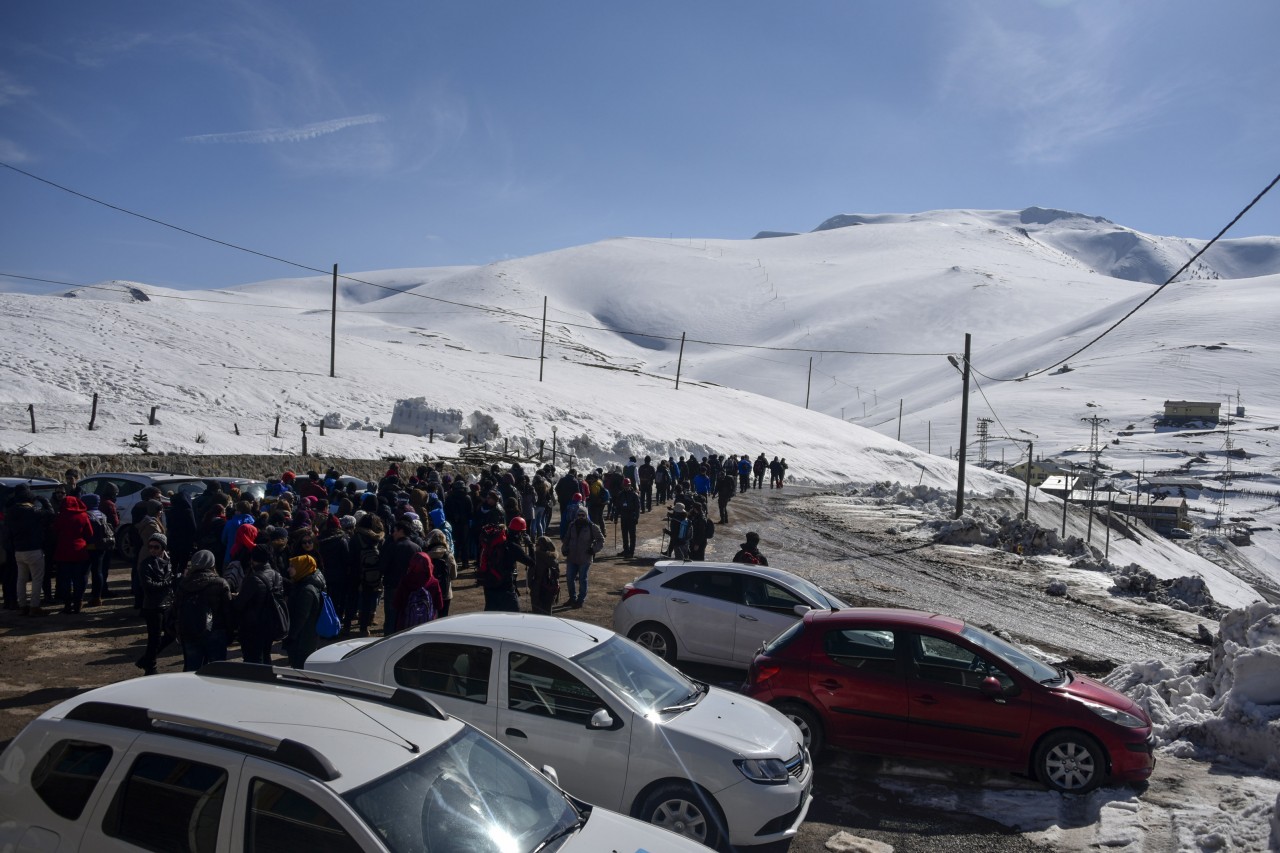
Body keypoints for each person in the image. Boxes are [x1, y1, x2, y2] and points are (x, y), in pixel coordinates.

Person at [176, 549, 233, 671]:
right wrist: (230, 633)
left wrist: (178, 631)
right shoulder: (220, 583)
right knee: (218, 671)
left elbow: (177, 610)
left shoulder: (184, 584)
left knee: (191, 669)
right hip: (215, 631)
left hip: (189, 631)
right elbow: (228, 611)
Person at [4, 485, 54, 616]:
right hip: (33, 549)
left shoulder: (11, 512)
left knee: (21, 579)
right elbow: (50, 513)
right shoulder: (32, 511)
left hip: (18, 550)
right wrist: (43, 500)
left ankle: (22, 605)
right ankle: (34, 606)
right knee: (37, 579)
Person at [234, 545, 284, 664]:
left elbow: (239, 604)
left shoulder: (253, 579)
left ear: (253, 559)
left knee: (254, 660)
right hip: (272, 622)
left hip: (253, 626)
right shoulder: (277, 575)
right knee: (266, 655)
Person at [135, 533, 175, 675]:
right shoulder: (146, 564)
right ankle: (150, 666)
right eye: (150, 547)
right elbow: (148, 586)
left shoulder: (169, 561)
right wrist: (168, 583)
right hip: (152, 606)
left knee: (171, 634)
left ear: (163, 547)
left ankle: (146, 660)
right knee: (155, 638)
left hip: (167, 604)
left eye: (156, 547)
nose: (153, 550)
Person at [378, 520, 421, 634]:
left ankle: (388, 640)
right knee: (407, 615)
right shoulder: (416, 548)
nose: (393, 534)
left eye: (395, 531)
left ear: (401, 531)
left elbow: (382, 566)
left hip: (392, 586)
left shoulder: (392, 547)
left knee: (391, 617)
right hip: (410, 588)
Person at [52, 495, 93, 614]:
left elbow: (55, 531)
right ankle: (78, 602)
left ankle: (67, 604)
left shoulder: (61, 517)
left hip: (63, 551)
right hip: (80, 550)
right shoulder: (84, 516)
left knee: (65, 579)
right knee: (80, 578)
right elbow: (89, 533)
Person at [284, 554, 326, 668]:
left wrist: (291, 636)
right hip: (306, 636)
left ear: (302, 568)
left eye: (292, 566)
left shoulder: (306, 590)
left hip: (302, 639)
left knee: (301, 669)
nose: (289, 569)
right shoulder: (306, 583)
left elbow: (301, 617)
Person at [560, 507, 603, 609]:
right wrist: (564, 549)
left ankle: (580, 600)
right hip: (572, 557)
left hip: (585, 558)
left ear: (586, 516)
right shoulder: (572, 526)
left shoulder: (592, 527)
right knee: (570, 578)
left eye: (583, 515)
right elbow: (566, 539)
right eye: (579, 515)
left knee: (582, 580)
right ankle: (572, 598)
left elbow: (601, 540)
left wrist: (593, 550)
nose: (580, 517)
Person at [392, 551, 441, 631]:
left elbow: (397, 604)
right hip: (428, 624)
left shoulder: (406, 580)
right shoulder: (434, 582)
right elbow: (439, 605)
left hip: (406, 624)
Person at [423, 528, 456, 617]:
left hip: (429, 592)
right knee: (443, 617)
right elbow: (454, 575)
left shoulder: (426, 555)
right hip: (446, 592)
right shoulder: (448, 555)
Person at [528, 535, 560, 615]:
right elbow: (557, 575)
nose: (536, 546)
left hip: (538, 589)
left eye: (537, 544)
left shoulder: (536, 557)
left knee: (537, 613)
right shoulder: (553, 558)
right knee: (548, 612)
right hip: (551, 589)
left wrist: (531, 586)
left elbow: (530, 575)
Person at [615, 479, 641, 558]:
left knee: (632, 535)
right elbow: (618, 506)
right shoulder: (621, 494)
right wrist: (615, 516)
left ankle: (631, 552)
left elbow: (637, 508)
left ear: (630, 485)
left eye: (628, 485)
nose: (627, 487)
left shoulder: (634, 495)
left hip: (631, 517)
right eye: (625, 485)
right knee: (624, 534)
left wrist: (636, 517)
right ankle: (626, 549)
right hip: (624, 517)